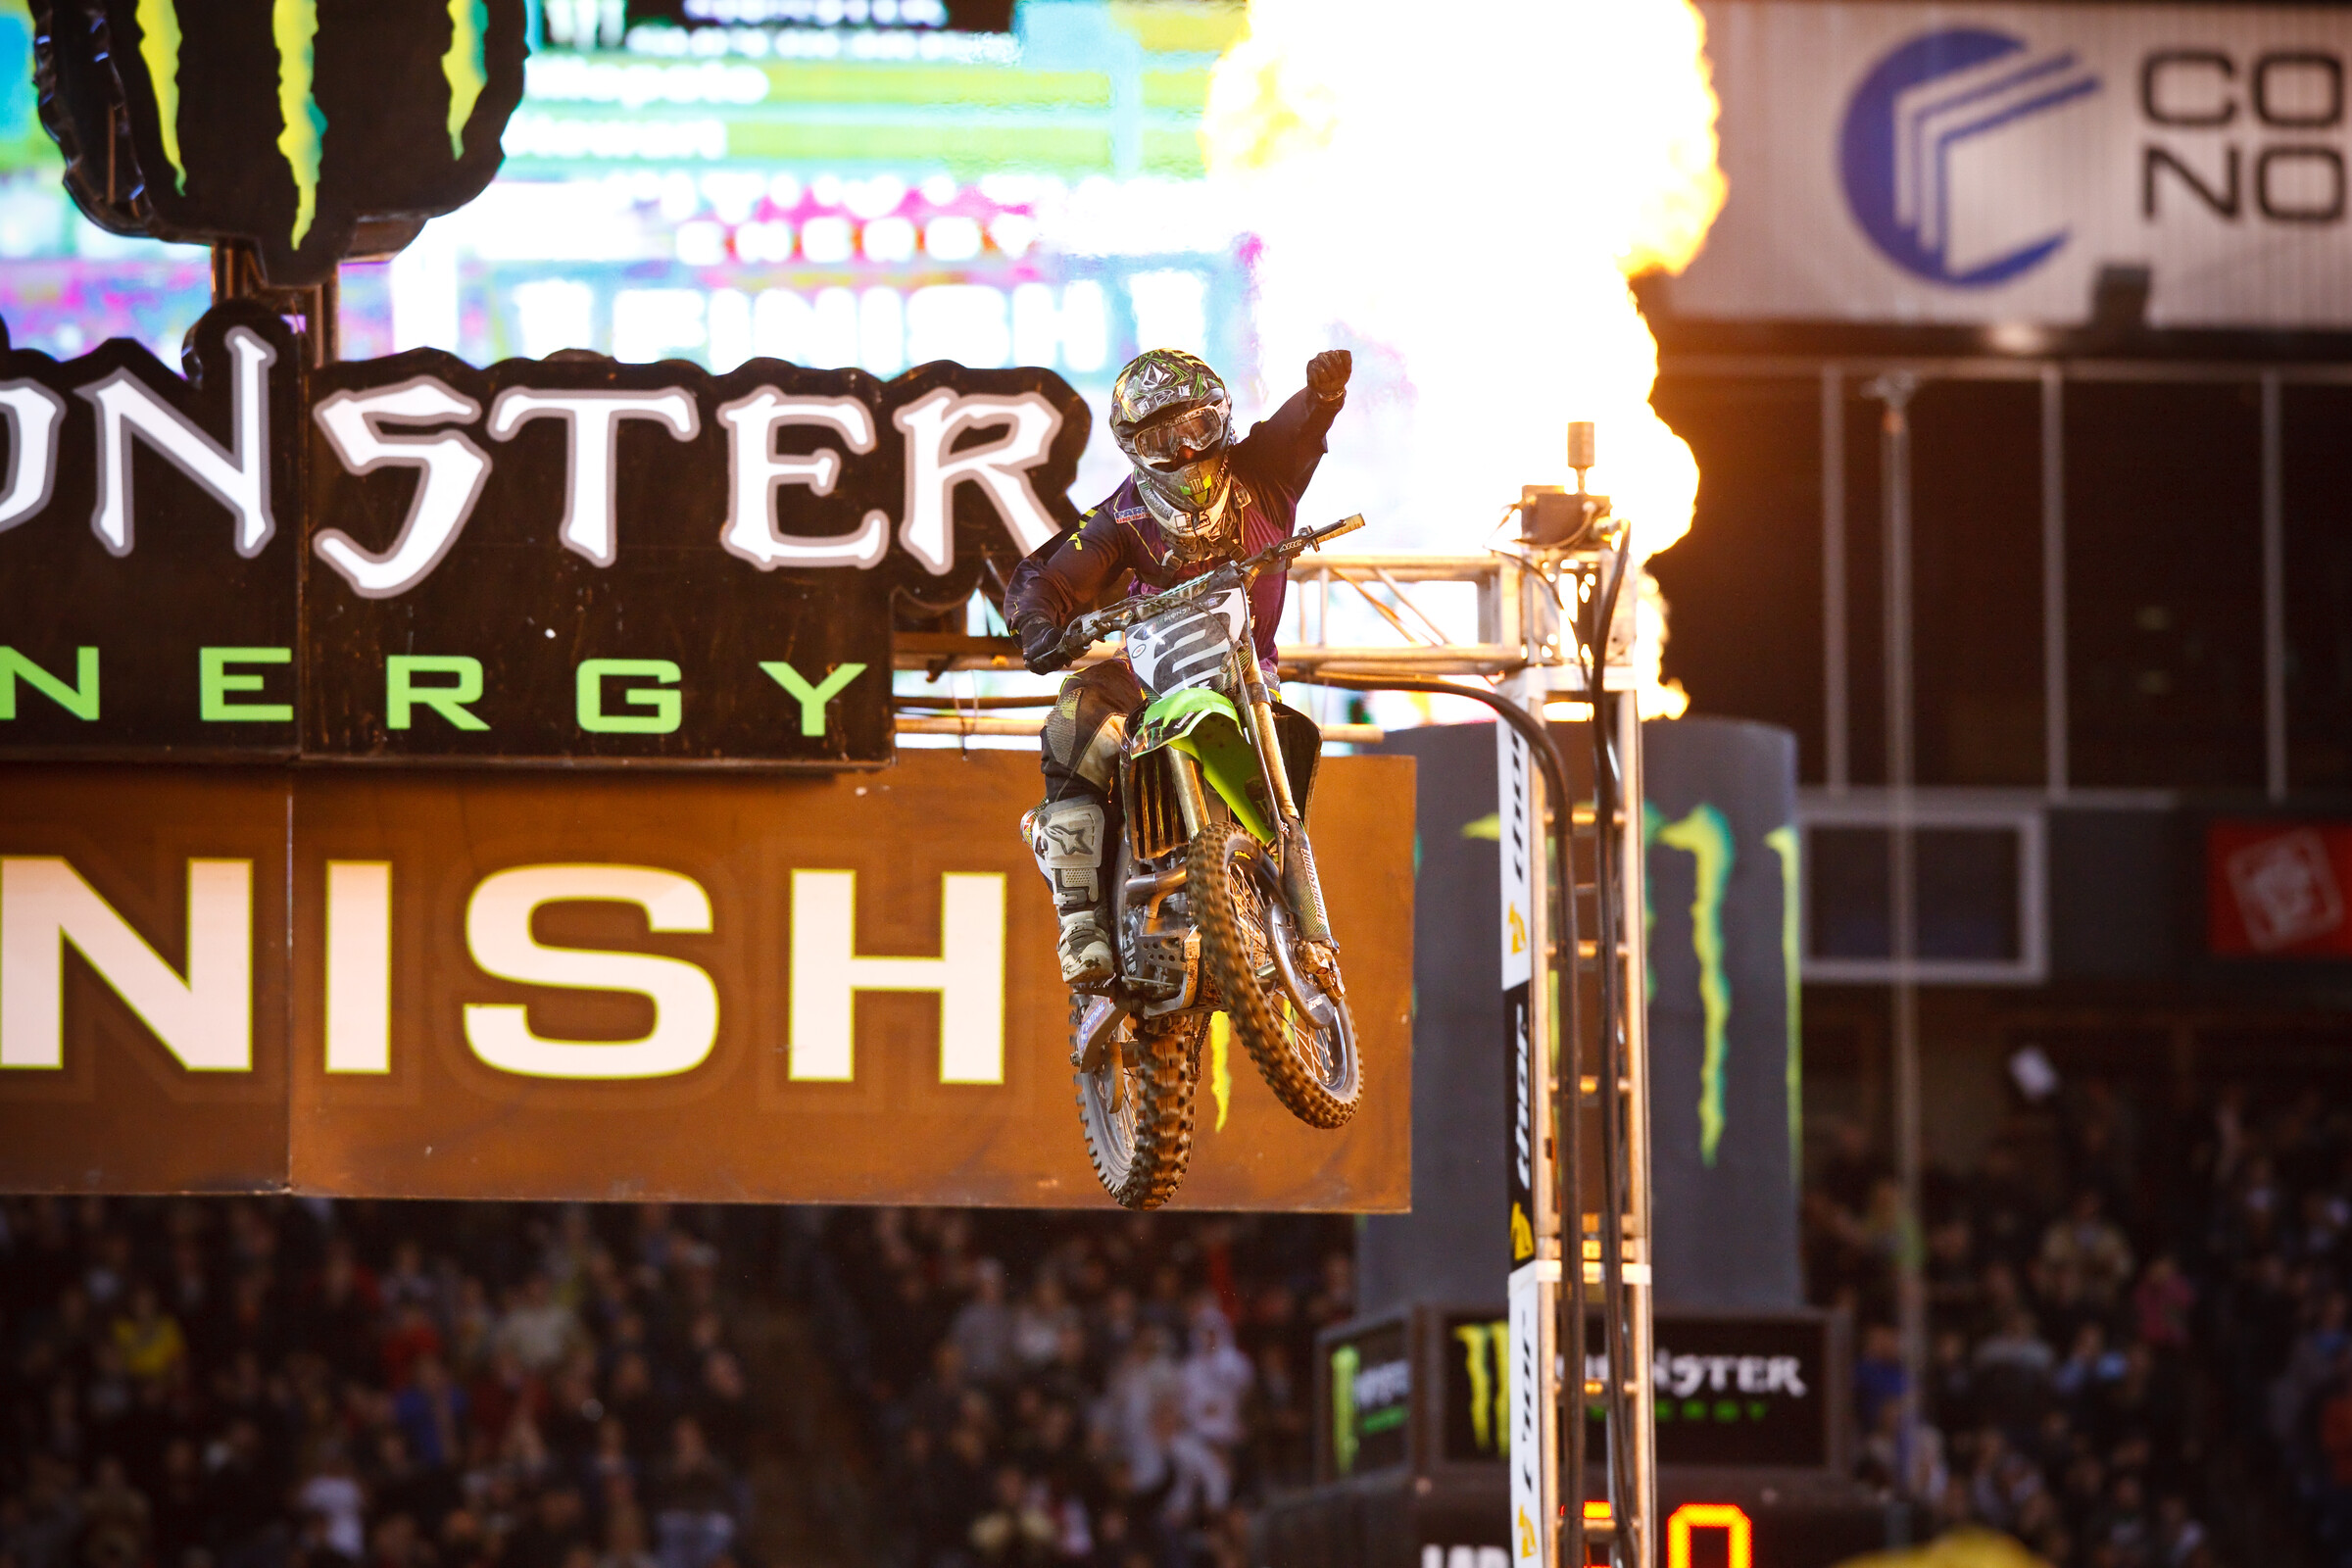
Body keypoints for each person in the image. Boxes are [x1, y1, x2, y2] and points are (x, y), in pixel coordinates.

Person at [1005, 346, 1353, 983]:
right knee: (1075, 716)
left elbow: (1296, 428)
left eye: (1196, 428)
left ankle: (1277, 902)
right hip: (1149, 670)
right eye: (1165, 439)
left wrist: (1322, 396)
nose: (1188, 453)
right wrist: (1038, 627)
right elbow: (1049, 579)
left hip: (1247, 670)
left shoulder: (1266, 474)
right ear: (1135, 449)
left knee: (1281, 734)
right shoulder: (1121, 514)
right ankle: (1080, 918)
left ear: (1221, 420)